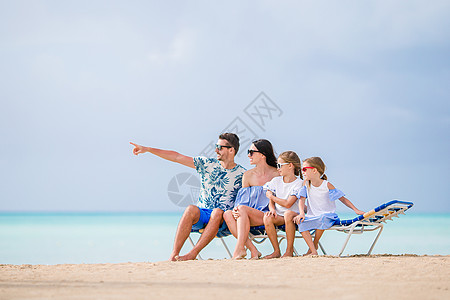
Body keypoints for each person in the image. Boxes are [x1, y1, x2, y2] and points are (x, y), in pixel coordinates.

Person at [130, 133, 246, 261]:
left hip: (224, 221)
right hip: (204, 215)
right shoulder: (207, 164)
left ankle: (193, 253)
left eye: (220, 147)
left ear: (231, 150)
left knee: (217, 212)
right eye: (216, 146)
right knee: (191, 208)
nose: (216, 150)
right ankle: (174, 255)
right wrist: (148, 149)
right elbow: (177, 157)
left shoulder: (242, 174)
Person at [293, 157, 365, 255]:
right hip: (313, 216)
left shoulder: (326, 185)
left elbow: (342, 198)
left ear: (314, 170)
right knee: (301, 223)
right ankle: (313, 251)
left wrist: (356, 210)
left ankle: (315, 243)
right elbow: (301, 200)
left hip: (328, 216)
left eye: (305, 169)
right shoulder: (306, 185)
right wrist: (302, 213)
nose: (303, 172)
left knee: (323, 218)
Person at [223, 139, 279, 259]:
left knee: (242, 210)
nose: (248, 155)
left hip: (268, 215)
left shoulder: (277, 174)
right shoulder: (247, 175)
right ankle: (253, 250)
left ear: (263, 155)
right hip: (248, 215)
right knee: (228, 214)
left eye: (251, 152)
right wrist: (235, 210)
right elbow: (242, 201)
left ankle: (239, 249)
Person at [262, 151, 303, 258]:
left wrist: (271, 197)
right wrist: (272, 209)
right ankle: (276, 251)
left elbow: (288, 204)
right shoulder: (276, 181)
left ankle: (289, 251)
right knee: (267, 218)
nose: (277, 168)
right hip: (279, 216)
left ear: (290, 166)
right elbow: (270, 198)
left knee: (288, 214)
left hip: (294, 216)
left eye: (280, 165)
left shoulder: (298, 183)